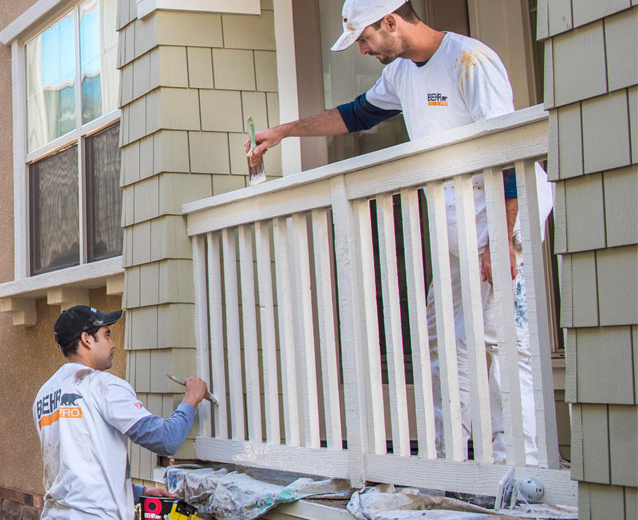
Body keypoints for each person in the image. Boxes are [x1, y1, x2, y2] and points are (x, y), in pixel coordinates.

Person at [246, 0, 546, 464]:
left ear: (391, 21)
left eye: (365, 38)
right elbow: (356, 115)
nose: (363, 50)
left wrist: (503, 241)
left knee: (505, 340)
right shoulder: (402, 73)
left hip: (501, 220)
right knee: (444, 340)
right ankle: (459, 462)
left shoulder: (468, 60)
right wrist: (284, 131)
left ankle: (521, 466)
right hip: (455, 228)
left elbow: (506, 146)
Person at [33, 305, 208, 519]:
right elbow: (165, 440)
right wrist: (191, 398)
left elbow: (77, 474)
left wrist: (138, 493)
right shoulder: (102, 385)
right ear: (87, 339)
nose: (113, 344)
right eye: (107, 335)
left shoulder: (45, 394)